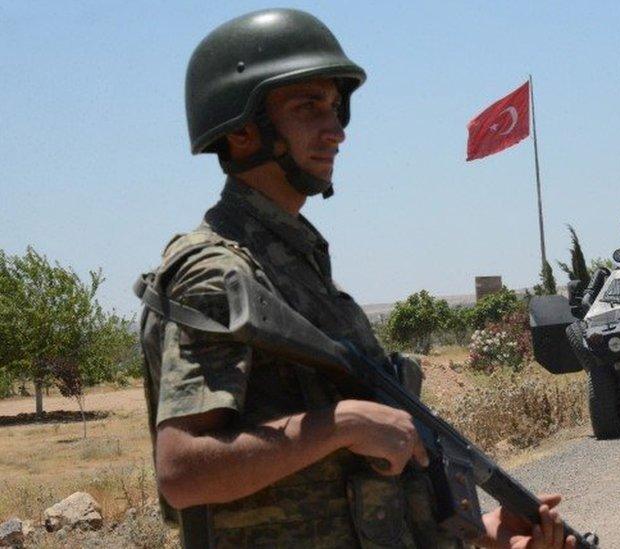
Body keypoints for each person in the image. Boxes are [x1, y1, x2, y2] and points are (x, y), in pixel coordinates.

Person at [136, 8, 576, 549]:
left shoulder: (294, 266)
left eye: (335, 106)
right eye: (307, 106)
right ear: (244, 130)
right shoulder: (215, 274)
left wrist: (488, 536)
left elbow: (356, 494)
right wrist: (339, 424)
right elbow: (182, 474)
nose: (337, 129)